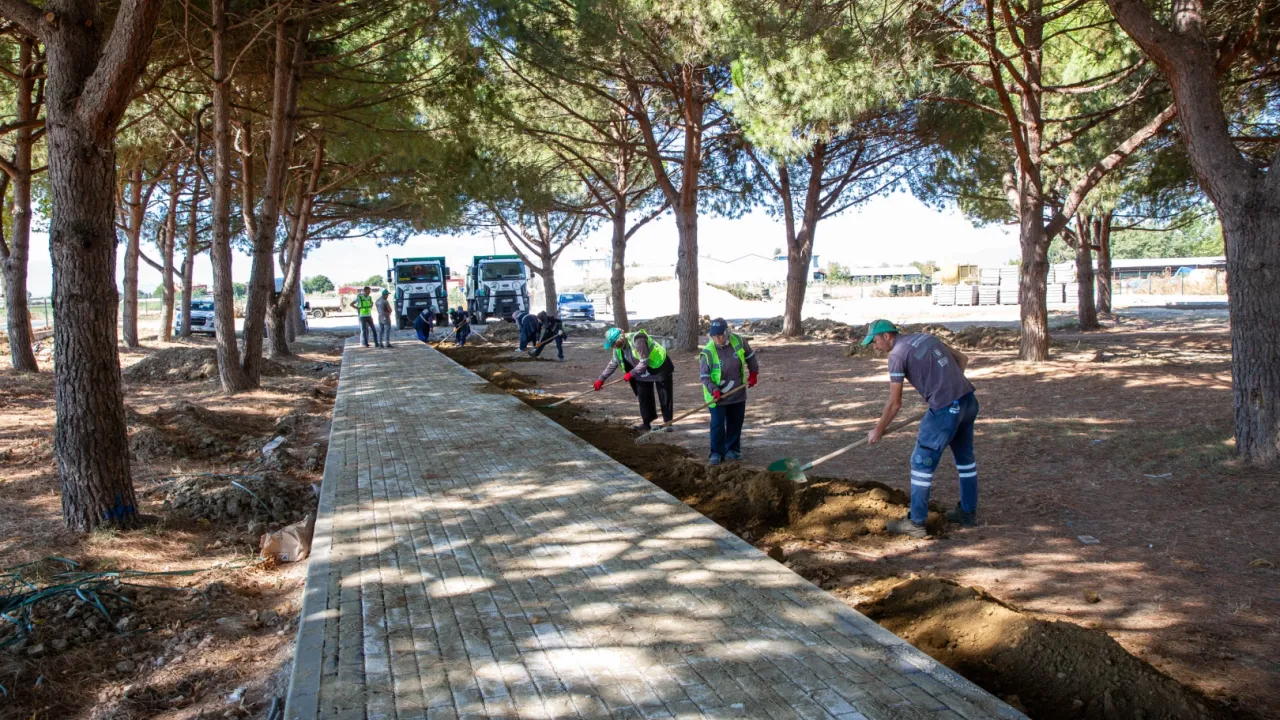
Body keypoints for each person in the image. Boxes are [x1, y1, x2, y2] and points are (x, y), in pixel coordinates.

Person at [863, 319, 980, 538]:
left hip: (946, 409)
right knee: (965, 460)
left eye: (875, 341)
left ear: (887, 336)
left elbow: (895, 403)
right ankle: (968, 513)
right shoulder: (925, 337)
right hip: (968, 400)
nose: (875, 347)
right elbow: (962, 359)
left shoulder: (896, 355)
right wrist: (949, 388)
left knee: (921, 463)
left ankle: (916, 522)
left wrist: (878, 429)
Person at [699, 318, 759, 466]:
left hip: (737, 392)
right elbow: (705, 376)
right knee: (718, 424)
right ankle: (716, 453)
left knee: (735, 422)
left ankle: (732, 449)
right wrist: (714, 390)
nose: (717, 339)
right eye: (714, 336)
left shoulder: (738, 341)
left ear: (726, 332)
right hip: (717, 396)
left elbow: (750, 356)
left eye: (719, 335)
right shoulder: (708, 352)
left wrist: (753, 373)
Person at [594, 326, 675, 432]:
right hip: (641, 371)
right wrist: (601, 379)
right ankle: (646, 423)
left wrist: (631, 374)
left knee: (664, 395)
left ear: (620, 339)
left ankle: (668, 423)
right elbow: (613, 363)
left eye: (613, 344)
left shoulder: (638, 340)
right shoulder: (617, 349)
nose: (613, 347)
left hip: (659, 365)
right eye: (611, 345)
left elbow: (644, 361)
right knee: (643, 396)